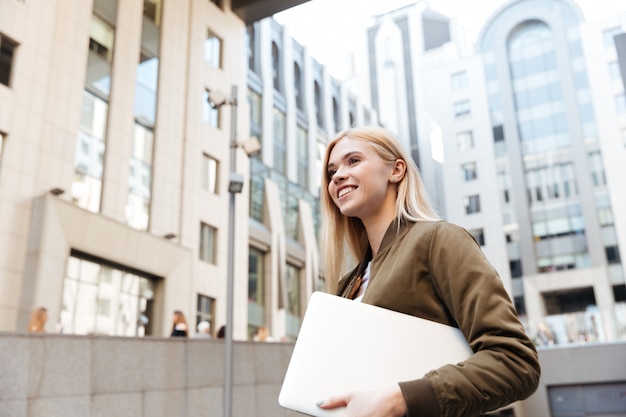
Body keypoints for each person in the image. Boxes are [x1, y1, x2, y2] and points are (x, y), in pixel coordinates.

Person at [317, 126, 540, 417]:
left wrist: (401, 399)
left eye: (353, 161)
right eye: (332, 171)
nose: (337, 176)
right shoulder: (348, 284)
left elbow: (516, 363)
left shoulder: (440, 240)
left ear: (396, 170)